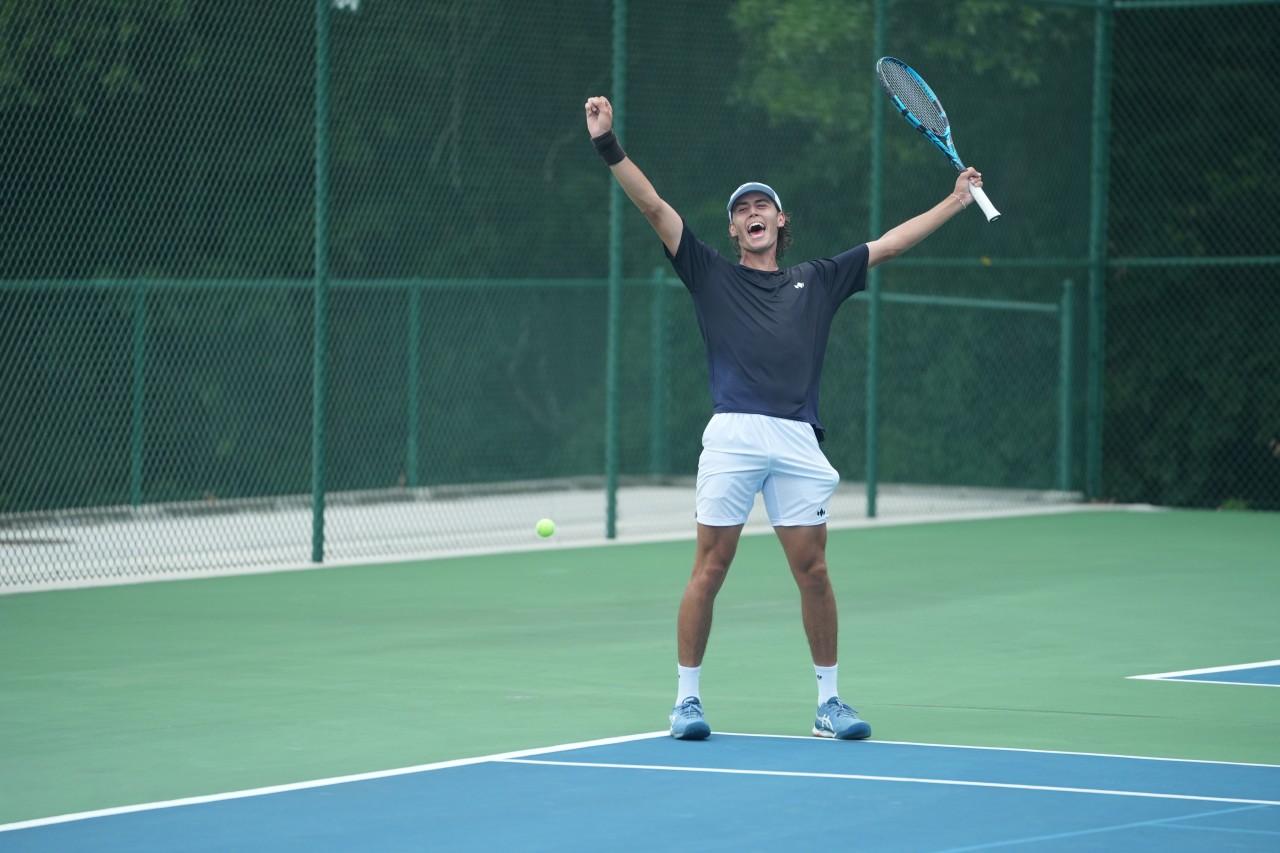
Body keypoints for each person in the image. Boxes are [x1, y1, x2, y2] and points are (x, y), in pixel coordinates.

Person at [584, 95, 986, 741]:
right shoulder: (709, 273)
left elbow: (888, 244)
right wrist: (608, 143)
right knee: (710, 567)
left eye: (761, 205)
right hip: (735, 434)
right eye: (742, 209)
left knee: (814, 571)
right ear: (735, 229)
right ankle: (686, 701)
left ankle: (829, 703)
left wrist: (954, 200)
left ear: (781, 220)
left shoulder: (820, 279)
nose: (752, 213)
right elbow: (653, 207)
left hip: (798, 438)